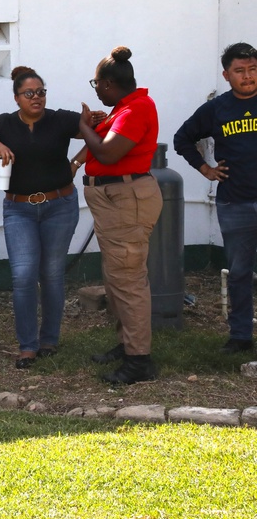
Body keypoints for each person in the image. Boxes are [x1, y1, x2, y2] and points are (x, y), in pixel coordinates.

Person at [0, 66, 84, 369]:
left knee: (52, 274)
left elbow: (102, 133)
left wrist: (77, 161)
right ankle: (27, 346)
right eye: (29, 93)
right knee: (23, 275)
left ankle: (49, 341)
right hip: (19, 209)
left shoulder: (60, 119)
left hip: (60, 206)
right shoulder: (4, 125)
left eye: (41, 92)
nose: (37, 97)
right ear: (17, 98)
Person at [79, 46, 162, 385]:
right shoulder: (124, 109)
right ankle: (128, 344)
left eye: (95, 84)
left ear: (109, 84)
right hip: (115, 200)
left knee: (127, 280)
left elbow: (109, 153)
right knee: (117, 278)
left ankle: (139, 360)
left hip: (125, 199)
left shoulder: (136, 109)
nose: (95, 90)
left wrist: (81, 125)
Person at [174, 42, 257, 354]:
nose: (247, 76)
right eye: (240, 71)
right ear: (227, 75)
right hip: (234, 203)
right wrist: (205, 168)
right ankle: (240, 337)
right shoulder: (216, 109)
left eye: (252, 69)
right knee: (238, 273)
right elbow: (182, 138)